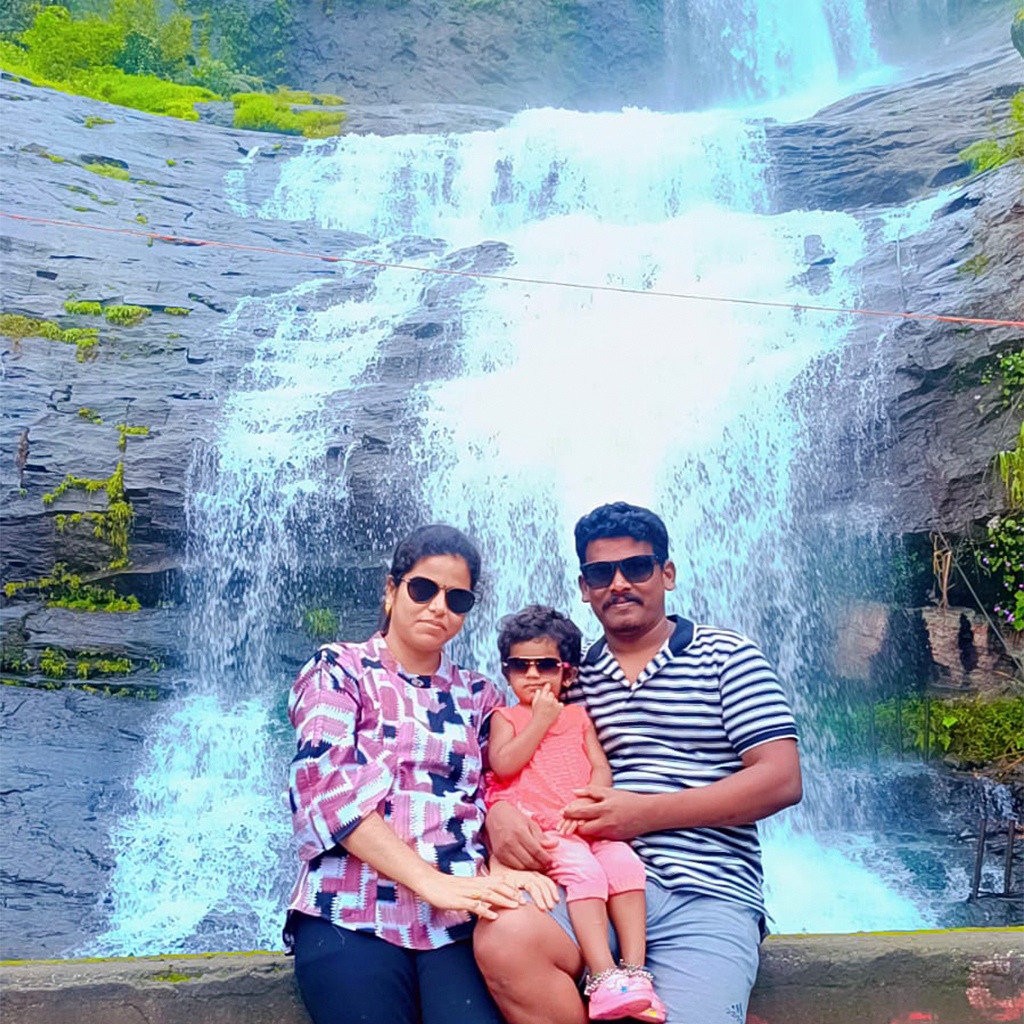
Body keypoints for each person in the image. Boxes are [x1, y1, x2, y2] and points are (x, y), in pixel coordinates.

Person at [475, 502, 803, 1024]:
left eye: (637, 567)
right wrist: (497, 816)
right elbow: (514, 764)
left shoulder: (729, 656)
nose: (619, 583)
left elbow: (781, 779)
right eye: (601, 573)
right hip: (584, 883)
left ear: (666, 573)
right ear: (584, 588)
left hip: (704, 891)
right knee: (504, 937)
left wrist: (641, 814)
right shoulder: (567, 678)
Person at [284, 524, 552, 1024]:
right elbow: (322, 789)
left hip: (461, 915)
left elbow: (502, 787)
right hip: (349, 909)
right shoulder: (340, 669)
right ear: (391, 590)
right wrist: (431, 882)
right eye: (423, 589)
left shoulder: (480, 696)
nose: (438, 607)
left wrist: (503, 841)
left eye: (457, 598)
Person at [485, 605, 666, 1022]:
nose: (532, 675)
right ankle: (603, 976)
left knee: (625, 865)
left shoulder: (579, 716)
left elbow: (600, 766)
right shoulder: (506, 718)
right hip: (545, 828)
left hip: (585, 823)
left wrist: (592, 799)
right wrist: (539, 721)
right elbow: (504, 764)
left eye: (546, 665)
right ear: (507, 672)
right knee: (585, 873)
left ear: (567, 674)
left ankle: (636, 974)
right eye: (520, 665)